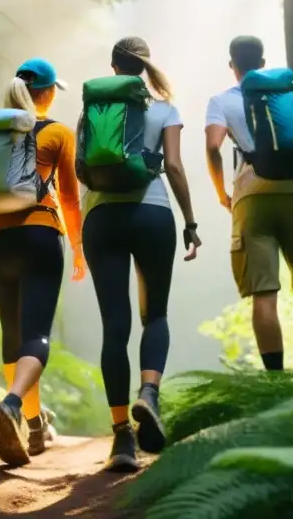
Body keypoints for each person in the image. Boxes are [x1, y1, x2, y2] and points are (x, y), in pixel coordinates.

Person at [79, 37, 202, 473]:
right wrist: (190, 221)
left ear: (112, 66)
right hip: (152, 213)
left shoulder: (93, 108)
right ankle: (148, 392)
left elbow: (84, 168)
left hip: (102, 219)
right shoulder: (166, 109)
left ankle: (121, 441)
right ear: (145, 66)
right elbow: (174, 166)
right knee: (157, 315)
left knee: (115, 327)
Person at [0, 58, 85, 467]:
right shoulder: (57, 134)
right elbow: (68, 197)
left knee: (12, 337)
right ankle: (13, 404)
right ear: (48, 93)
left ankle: (33, 426)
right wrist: (80, 248)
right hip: (39, 235)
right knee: (37, 336)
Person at [204, 36, 293, 374]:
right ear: (263, 63)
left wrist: (222, 192)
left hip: (252, 200)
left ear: (232, 65)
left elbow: (212, 146)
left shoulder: (222, 101)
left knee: (264, 294)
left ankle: (275, 380)